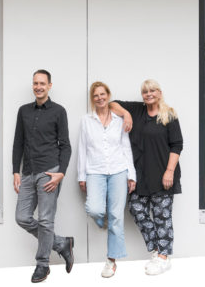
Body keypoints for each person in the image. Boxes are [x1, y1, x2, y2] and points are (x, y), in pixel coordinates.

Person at [110, 79, 183, 275]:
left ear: (159, 93)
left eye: (152, 91)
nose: (148, 94)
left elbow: (177, 145)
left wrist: (169, 171)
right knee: (136, 209)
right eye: (145, 91)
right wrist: (125, 114)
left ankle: (163, 258)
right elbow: (111, 104)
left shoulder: (169, 115)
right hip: (140, 174)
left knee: (162, 217)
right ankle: (157, 249)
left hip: (162, 174)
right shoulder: (137, 110)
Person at [13, 69, 74, 283]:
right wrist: (15, 171)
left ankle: (42, 264)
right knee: (21, 217)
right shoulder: (23, 111)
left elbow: (66, 146)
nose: (38, 86)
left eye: (42, 83)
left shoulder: (59, 111)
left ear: (49, 85)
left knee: (46, 220)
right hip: (28, 171)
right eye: (35, 83)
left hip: (50, 171)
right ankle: (60, 244)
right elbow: (18, 143)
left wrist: (60, 173)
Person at [77, 81, 136, 278]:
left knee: (117, 217)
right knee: (94, 208)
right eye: (96, 95)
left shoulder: (119, 121)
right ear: (92, 99)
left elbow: (126, 148)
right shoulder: (86, 121)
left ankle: (111, 260)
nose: (100, 98)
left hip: (119, 170)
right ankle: (103, 219)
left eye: (103, 94)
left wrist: (131, 174)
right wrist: (81, 176)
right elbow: (82, 150)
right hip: (95, 171)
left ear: (108, 96)